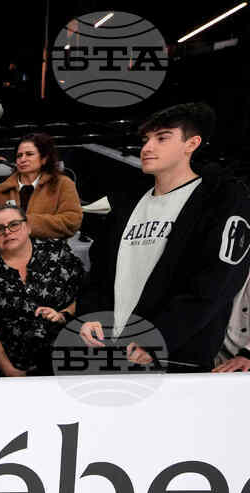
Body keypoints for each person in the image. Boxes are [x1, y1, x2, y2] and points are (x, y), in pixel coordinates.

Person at [79, 103, 250, 371]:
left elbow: (217, 281)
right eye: (146, 139)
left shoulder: (222, 201)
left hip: (175, 358)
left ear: (191, 143)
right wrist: (91, 315)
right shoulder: (126, 204)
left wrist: (160, 337)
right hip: (114, 352)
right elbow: (99, 273)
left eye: (162, 138)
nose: (147, 147)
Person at [0, 204, 84, 376]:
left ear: (27, 227)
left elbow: (88, 295)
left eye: (14, 224)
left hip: (65, 360)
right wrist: (8, 369)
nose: (7, 232)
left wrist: (63, 314)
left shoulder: (57, 253)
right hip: (13, 366)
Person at [0, 133, 82, 240]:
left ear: (44, 158)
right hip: (9, 252)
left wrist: (25, 223)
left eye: (29, 154)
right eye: (19, 155)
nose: (22, 159)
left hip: (50, 252)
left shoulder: (63, 184)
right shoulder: (0, 191)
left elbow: (72, 221)